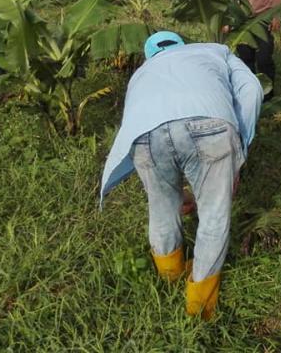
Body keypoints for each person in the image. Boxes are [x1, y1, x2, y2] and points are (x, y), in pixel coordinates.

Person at [99, 31, 263, 319]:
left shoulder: (141, 73)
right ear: (183, 46)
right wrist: (240, 147)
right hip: (209, 124)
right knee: (213, 214)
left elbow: (146, 122)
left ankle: (169, 278)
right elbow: (252, 90)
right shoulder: (216, 51)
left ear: (151, 55)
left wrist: (177, 192)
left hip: (145, 134)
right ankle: (200, 308)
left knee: (161, 208)